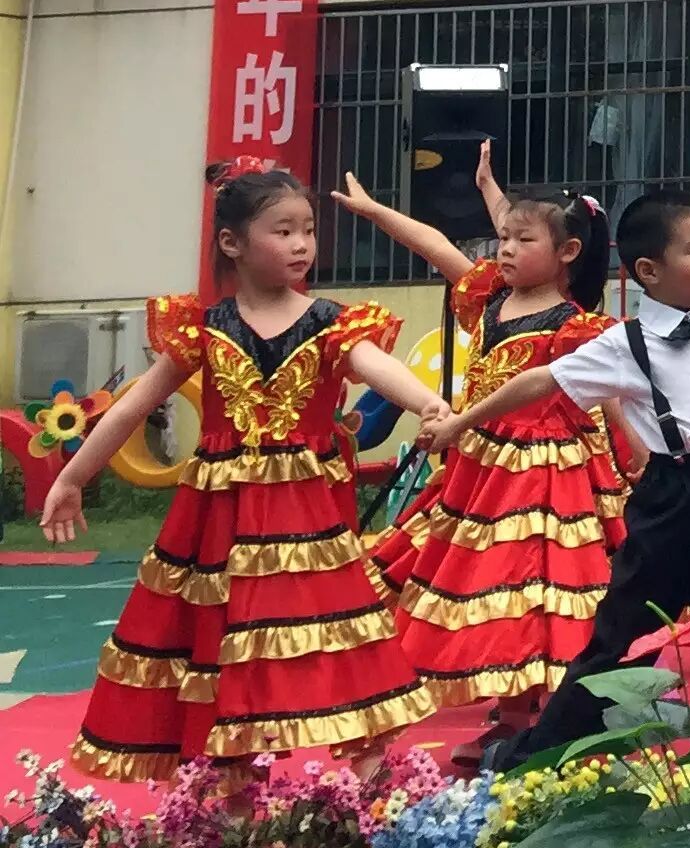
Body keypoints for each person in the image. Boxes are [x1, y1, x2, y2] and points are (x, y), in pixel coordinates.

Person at [45, 163, 451, 777]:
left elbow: (375, 366)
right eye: (282, 231)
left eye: (308, 230)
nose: (301, 244)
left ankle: (372, 797)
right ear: (232, 243)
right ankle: (231, 797)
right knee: (219, 642)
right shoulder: (204, 329)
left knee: (341, 634)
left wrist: (427, 403)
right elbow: (131, 406)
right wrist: (72, 478)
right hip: (220, 524)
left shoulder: (333, 322)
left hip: (307, 523)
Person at [433, 170, 690, 762]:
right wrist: (460, 423)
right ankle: (541, 754)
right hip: (676, 498)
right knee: (623, 635)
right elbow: (539, 381)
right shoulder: (626, 343)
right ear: (649, 271)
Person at [334, 149, 630, 764]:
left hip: (544, 475)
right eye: (504, 239)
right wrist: (376, 212)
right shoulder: (489, 298)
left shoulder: (575, 327)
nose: (506, 250)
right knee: (465, 579)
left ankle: (529, 720)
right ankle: (512, 718)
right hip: (476, 470)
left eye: (522, 241)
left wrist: (634, 457)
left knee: (528, 589)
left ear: (568, 252)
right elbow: (437, 245)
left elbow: (610, 398)